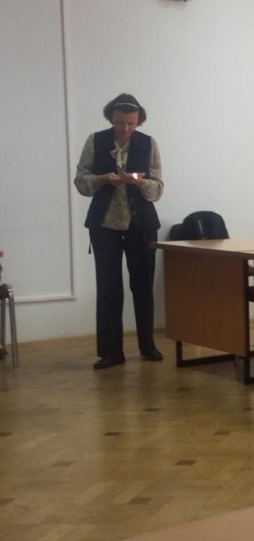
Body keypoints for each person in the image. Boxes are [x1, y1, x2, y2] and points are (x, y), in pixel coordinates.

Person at [74, 93, 164, 369]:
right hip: (104, 225)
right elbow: (81, 181)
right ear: (111, 118)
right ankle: (111, 352)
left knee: (143, 286)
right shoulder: (95, 140)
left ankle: (147, 346)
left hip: (142, 225)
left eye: (130, 123)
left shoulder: (148, 143)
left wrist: (139, 183)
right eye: (119, 122)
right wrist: (103, 179)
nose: (124, 128)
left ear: (139, 121)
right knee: (109, 288)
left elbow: (158, 188)